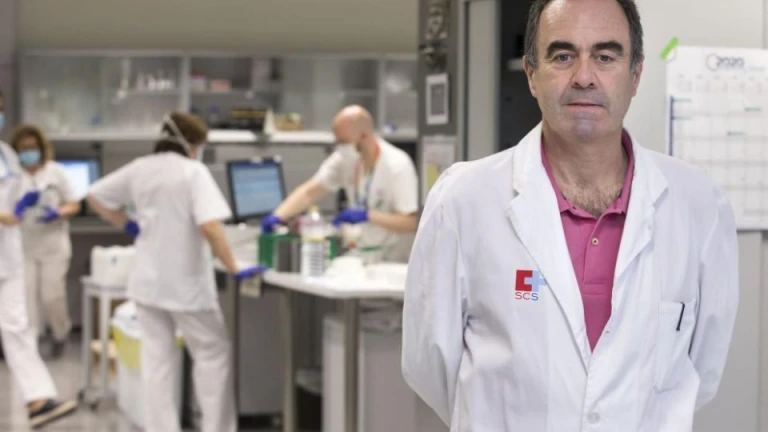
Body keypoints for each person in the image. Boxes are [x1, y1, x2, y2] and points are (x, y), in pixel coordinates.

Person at [402, 0, 739, 431]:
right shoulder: (463, 200)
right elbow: (428, 364)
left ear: (635, 75)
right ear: (531, 75)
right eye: (563, 56)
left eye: (605, 56)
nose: (584, 76)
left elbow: (702, 371)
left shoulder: (699, 205)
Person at [86, 112, 264, 432]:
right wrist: (234, 266)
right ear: (191, 143)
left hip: (148, 284)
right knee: (211, 355)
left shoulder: (140, 168)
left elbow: (95, 196)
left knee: (157, 363)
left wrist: (126, 223)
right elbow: (210, 226)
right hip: (186, 285)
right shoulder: (193, 172)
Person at [0, 92, 78, 428]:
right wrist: (4, 215)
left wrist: (23, 205)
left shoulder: (5, 155)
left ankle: (38, 400)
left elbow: (12, 194)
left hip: (10, 255)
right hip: (14, 245)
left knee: (18, 327)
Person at [261, 105, 419, 263]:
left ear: (364, 135)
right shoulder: (346, 159)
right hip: (361, 256)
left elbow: (412, 222)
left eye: (344, 141)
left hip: (392, 261)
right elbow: (309, 192)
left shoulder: (397, 165)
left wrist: (368, 216)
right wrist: (279, 215)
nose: (340, 147)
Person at [11, 125, 80, 359]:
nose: (28, 152)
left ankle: (60, 334)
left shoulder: (55, 172)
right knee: (27, 297)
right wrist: (18, 208)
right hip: (24, 246)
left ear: (41, 148)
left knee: (52, 295)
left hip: (53, 246)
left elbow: (74, 203)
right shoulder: (12, 177)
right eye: (23, 148)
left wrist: (58, 213)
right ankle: (30, 343)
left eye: (32, 147)